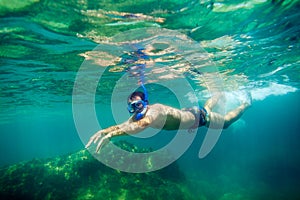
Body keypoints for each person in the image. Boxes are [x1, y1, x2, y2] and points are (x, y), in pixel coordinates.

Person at [86, 87, 251, 153]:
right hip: (189, 113)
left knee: (226, 123)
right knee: (206, 108)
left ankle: (245, 104)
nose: (135, 109)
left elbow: (142, 125)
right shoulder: (138, 114)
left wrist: (112, 136)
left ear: (145, 103)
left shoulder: (154, 111)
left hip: (198, 118)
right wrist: (104, 131)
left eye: (137, 104)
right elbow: (125, 125)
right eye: (132, 107)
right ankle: (219, 92)